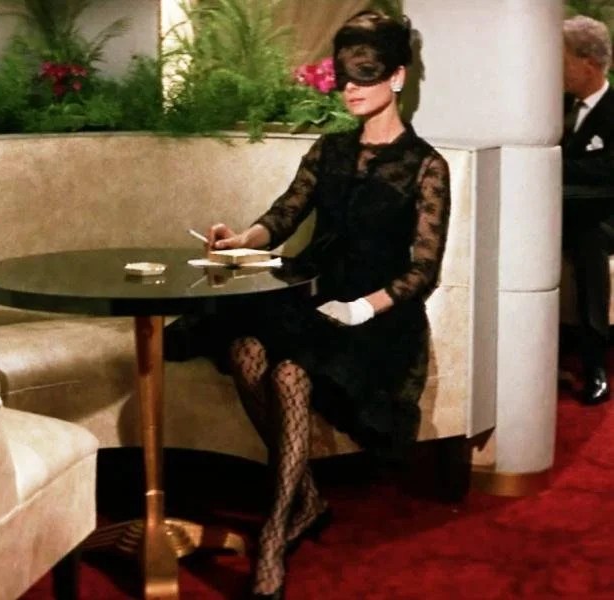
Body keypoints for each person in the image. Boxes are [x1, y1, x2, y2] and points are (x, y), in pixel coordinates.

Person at [203, 11, 450, 599]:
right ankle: (308, 499)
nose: (351, 87)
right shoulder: (330, 149)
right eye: (344, 76)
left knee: (289, 372)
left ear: (397, 76)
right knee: (244, 348)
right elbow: (285, 213)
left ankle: (273, 535)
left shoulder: (426, 165)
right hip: (315, 293)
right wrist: (242, 240)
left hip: (378, 316)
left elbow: (423, 271)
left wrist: (360, 309)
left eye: (366, 73)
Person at [561, 15, 614, 406]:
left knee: (589, 239)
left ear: (589, 64)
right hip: (558, 211)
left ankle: (595, 361)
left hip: (605, 216)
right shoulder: (554, 105)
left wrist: (554, 163)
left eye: (562, 61)